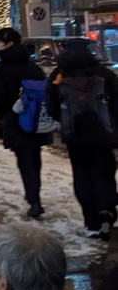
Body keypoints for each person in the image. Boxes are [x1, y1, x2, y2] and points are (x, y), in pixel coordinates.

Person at [46, 37, 118, 240]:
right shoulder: (104, 74)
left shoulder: (58, 75)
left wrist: (63, 121)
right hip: (103, 134)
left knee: (82, 176)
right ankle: (106, 211)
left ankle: (91, 222)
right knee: (104, 175)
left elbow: (50, 106)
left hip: (74, 135)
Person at [0, 27, 52, 218]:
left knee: (25, 161)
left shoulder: (3, 68)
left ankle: (34, 200)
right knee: (35, 159)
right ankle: (34, 195)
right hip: (36, 121)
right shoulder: (33, 67)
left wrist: (3, 114)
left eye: (0, 42)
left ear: (9, 44)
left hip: (16, 121)